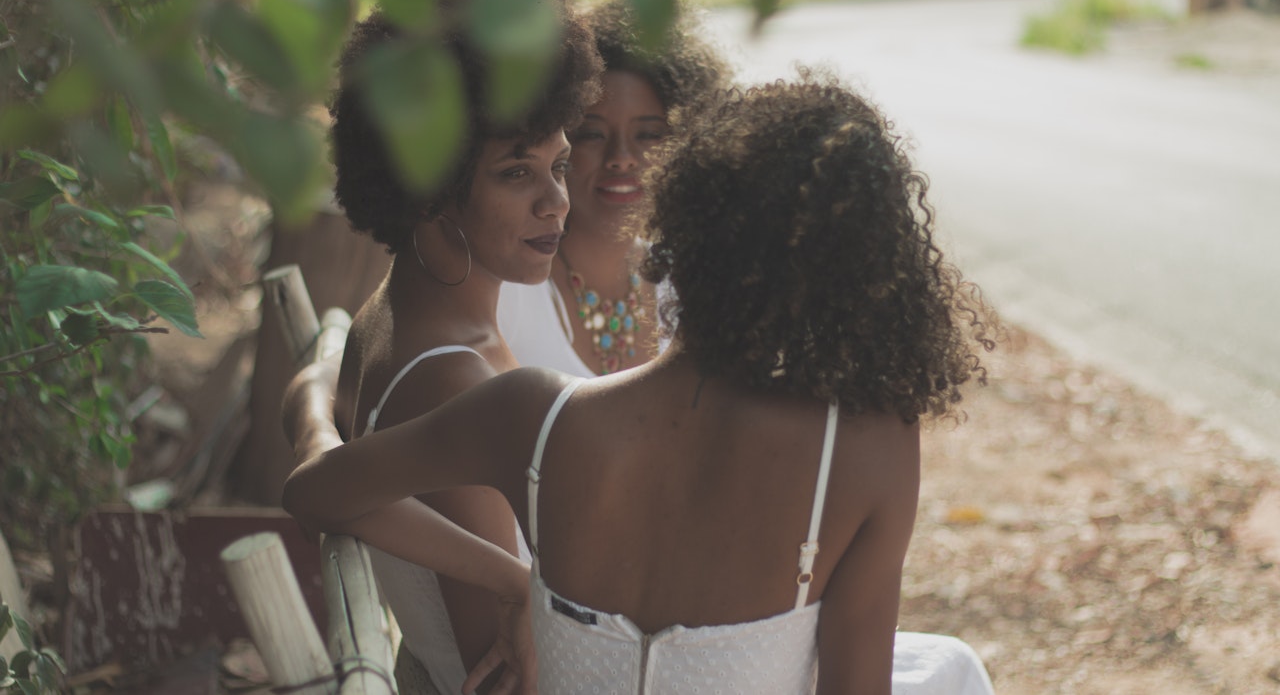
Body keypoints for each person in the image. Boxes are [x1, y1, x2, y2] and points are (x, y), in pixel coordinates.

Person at [284, 72, 998, 695]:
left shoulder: (531, 412)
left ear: (682, 220)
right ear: (869, 273)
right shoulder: (869, 450)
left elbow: (311, 489)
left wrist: (315, 401)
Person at [286, 0, 602, 694]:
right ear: (427, 184)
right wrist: (521, 584)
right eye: (516, 172)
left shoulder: (388, 312)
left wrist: (309, 406)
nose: (556, 200)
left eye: (556, 165)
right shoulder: (453, 378)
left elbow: (311, 399)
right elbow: (499, 673)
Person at [497, 0, 728, 376]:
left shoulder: (696, 283)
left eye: (649, 134)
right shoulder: (507, 294)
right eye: (592, 134)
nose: (622, 157)